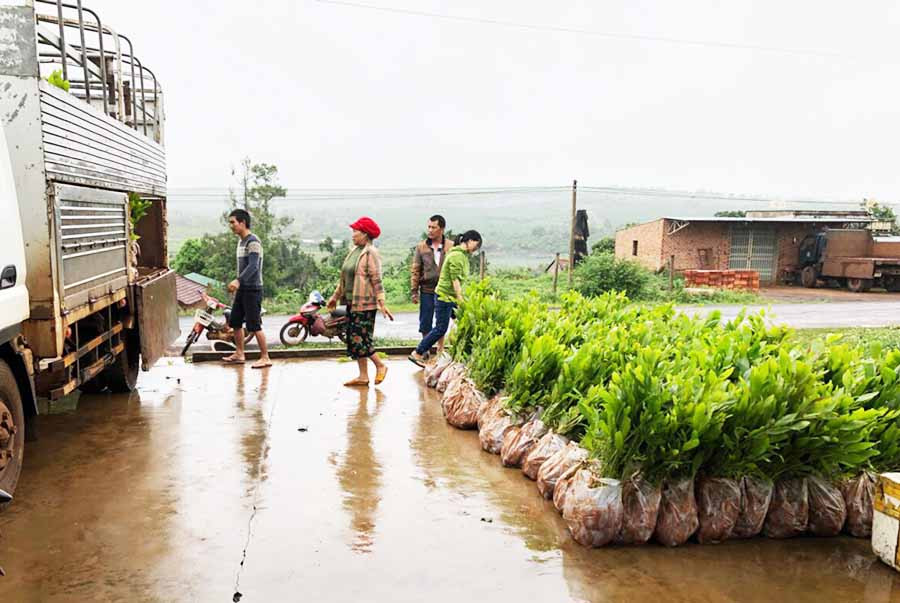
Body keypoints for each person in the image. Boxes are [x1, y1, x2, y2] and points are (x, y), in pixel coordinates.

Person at [327, 217, 394, 387]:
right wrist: (335, 297)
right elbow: (344, 279)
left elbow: (376, 279)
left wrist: (382, 302)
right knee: (353, 338)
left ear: (365, 234)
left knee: (360, 339)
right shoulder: (354, 251)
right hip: (351, 302)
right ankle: (363, 376)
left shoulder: (370, 252)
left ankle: (380, 365)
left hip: (365, 305)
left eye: (356, 231)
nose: (353, 235)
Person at [408, 230, 482, 367]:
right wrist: (460, 299)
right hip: (446, 297)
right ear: (470, 240)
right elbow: (455, 280)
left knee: (465, 322)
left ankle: (456, 354)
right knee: (441, 328)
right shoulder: (457, 256)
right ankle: (417, 352)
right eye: (476, 245)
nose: (476, 249)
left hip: (450, 297)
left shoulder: (461, 255)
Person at [223, 209, 272, 369]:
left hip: (253, 289)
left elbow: (253, 266)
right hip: (242, 289)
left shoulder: (253, 241)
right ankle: (239, 353)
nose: (231, 226)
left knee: (254, 324)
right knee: (235, 321)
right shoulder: (241, 241)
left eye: (233, 222)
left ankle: (265, 357)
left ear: (242, 222)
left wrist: (238, 280)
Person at [410, 215, 453, 356]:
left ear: (441, 229)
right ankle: (426, 349)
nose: (430, 230)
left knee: (441, 322)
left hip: (445, 290)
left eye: (433, 227)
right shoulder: (421, 247)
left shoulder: (451, 247)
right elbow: (416, 269)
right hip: (427, 289)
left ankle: (440, 349)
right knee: (425, 320)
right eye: (429, 227)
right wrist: (414, 291)